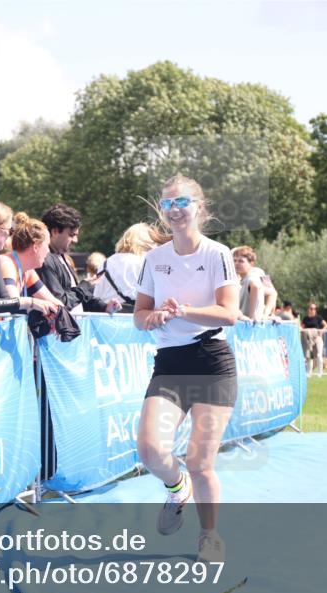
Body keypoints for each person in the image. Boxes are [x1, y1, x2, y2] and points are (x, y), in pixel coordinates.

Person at [134, 174, 240, 564]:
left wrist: (186, 311)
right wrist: (153, 317)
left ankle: (209, 536)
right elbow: (139, 315)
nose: (175, 211)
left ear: (199, 207)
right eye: (168, 205)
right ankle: (177, 489)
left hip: (212, 361)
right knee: (149, 449)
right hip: (171, 363)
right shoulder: (154, 259)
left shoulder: (217, 254)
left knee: (199, 460)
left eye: (182, 203)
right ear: (162, 213)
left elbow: (230, 313)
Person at [37, 203, 121, 314]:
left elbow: (75, 299)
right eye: (71, 235)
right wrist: (84, 287)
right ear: (54, 231)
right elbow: (61, 303)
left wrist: (104, 307)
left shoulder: (60, 257)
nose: (75, 240)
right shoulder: (44, 260)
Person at [94, 222, 155, 312]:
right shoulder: (143, 263)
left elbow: (97, 295)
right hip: (134, 318)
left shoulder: (105, 263)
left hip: (106, 317)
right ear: (147, 243)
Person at [231, 246, 269, 321]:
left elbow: (256, 286)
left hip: (248, 324)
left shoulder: (257, 272)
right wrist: (266, 315)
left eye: (241, 261)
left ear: (251, 263)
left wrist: (253, 316)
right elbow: (272, 293)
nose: (236, 264)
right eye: (234, 261)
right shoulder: (239, 278)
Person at [301, 302, 327, 377]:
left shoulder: (318, 317)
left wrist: (322, 331)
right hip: (309, 339)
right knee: (310, 356)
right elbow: (301, 327)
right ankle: (309, 373)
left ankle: (320, 373)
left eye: (314, 309)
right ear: (308, 309)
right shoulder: (305, 318)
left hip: (317, 337)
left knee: (319, 355)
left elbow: (326, 325)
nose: (313, 310)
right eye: (311, 308)